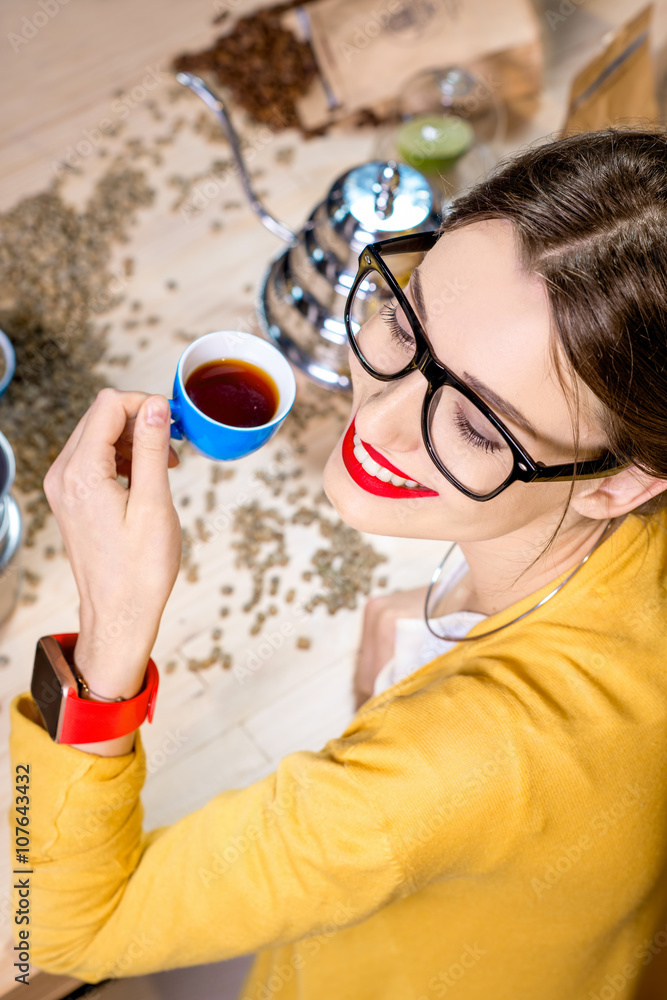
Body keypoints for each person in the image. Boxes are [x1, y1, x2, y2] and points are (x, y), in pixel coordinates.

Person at [9, 126, 667, 1000]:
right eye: (405, 319)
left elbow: (44, 931)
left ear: (616, 486)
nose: (378, 422)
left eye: (475, 424)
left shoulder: (440, 770)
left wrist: (110, 629)